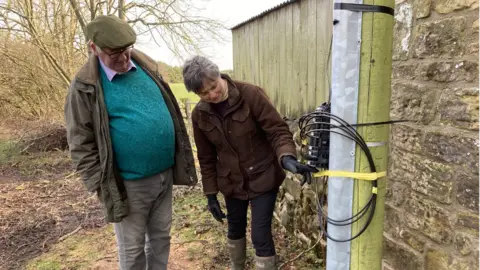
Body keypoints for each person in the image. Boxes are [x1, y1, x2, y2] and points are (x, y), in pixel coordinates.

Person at [64, 15, 197, 270]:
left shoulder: (146, 68)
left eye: (127, 50)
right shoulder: (85, 87)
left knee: (161, 239)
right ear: (94, 48)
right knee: (133, 249)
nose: (124, 58)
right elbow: (80, 143)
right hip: (128, 184)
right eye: (115, 53)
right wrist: (101, 186)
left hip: (164, 176)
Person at [182, 56, 317, 270]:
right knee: (235, 228)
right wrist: (210, 195)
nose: (212, 95)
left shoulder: (251, 95)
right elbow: (206, 158)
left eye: (213, 87)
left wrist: (287, 157)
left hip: (263, 177)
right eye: (203, 93)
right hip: (231, 182)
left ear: (219, 76)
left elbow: (277, 131)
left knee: (260, 235)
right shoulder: (200, 114)